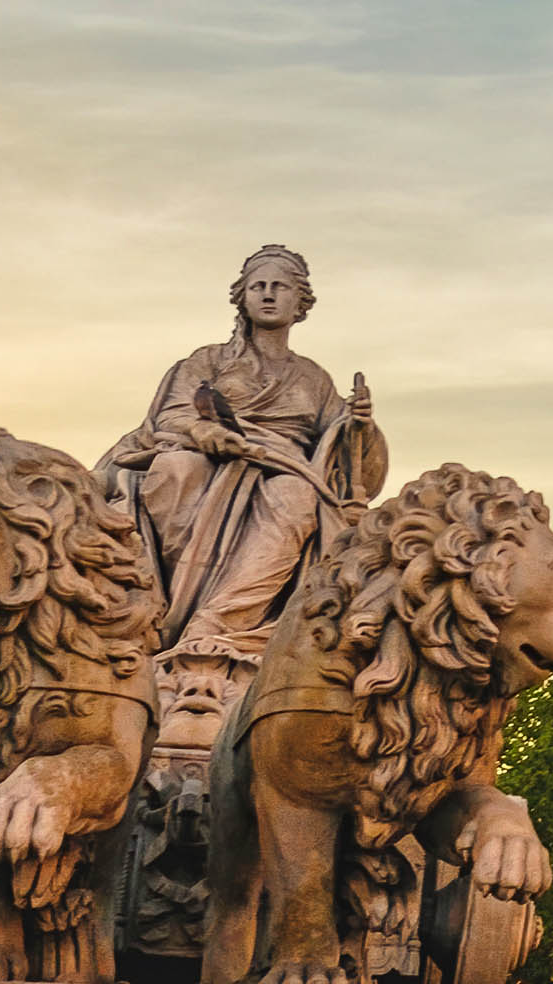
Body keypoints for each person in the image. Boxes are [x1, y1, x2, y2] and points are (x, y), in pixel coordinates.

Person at [107, 246, 378, 715]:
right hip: (207, 454)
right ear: (243, 297)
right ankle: (173, 608)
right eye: (259, 286)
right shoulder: (207, 360)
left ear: (300, 303)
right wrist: (207, 433)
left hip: (287, 468)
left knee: (293, 496)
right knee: (175, 471)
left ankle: (215, 626)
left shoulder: (314, 379)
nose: (269, 295)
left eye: (281, 287)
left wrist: (360, 425)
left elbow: (346, 460)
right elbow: (169, 415)